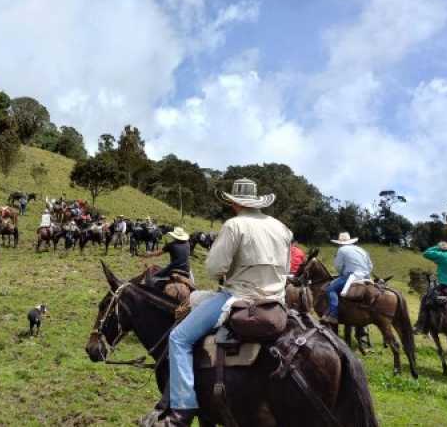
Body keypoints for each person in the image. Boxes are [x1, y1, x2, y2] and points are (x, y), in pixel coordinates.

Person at [155, 178, 291, 426]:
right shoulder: (281, 228)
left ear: (233, 203)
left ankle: (183, 408)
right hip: (275, 301)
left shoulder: (234, 225)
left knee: (179, 338)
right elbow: (287, 268)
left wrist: (225, 274)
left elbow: (214, 268)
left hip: (238, 296)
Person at [321, 232, 373, 325]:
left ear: (340, 243)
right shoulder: (362, 249)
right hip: (365, 276)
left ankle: (333, 315)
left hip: (351, 276)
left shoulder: (341, 250)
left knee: (330, 289)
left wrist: (342, 273)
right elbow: (370, 266)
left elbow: (338, 266)